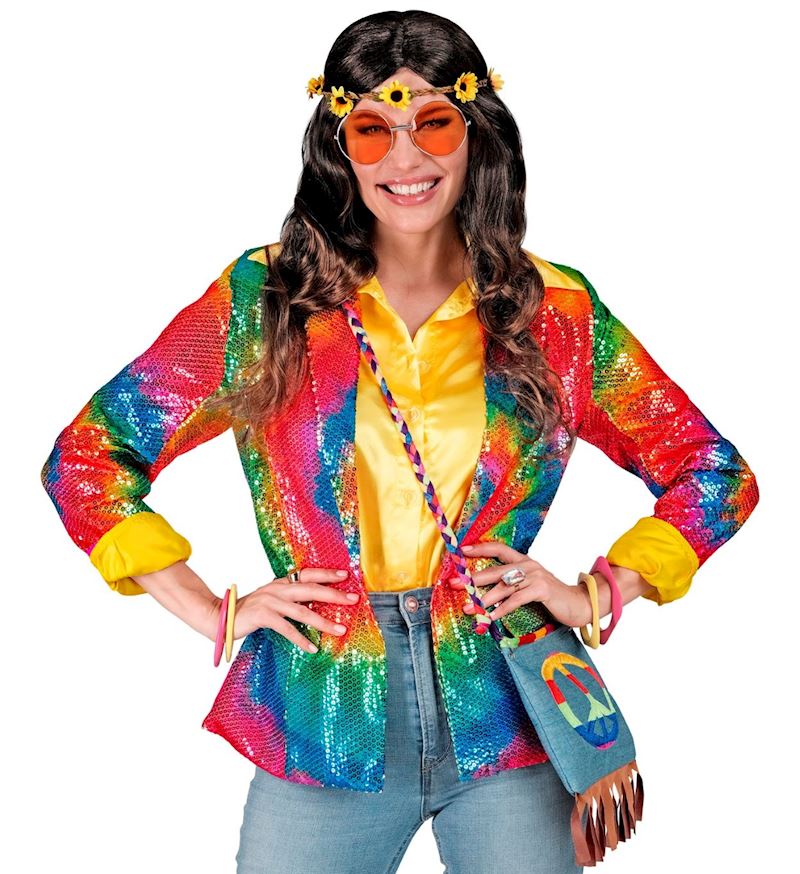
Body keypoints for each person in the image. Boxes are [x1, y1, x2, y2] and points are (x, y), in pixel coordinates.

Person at [40, 10, 759, 874]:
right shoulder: (268, 300)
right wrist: (209, 608)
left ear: (477, 134)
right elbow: (89, 457)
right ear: (338, 149)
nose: (405, 159)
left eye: (435, 124)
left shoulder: (556, 313)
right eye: (373, 131)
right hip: (327, 706)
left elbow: (712, 473)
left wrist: (597, 593)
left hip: (504, 706)